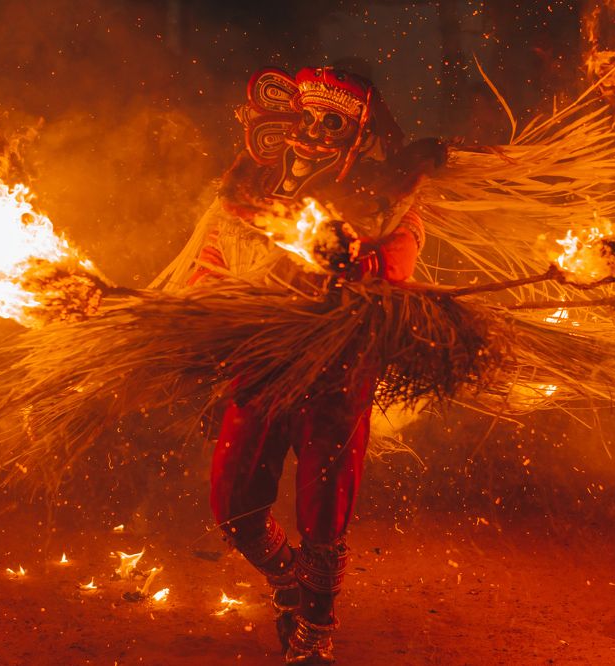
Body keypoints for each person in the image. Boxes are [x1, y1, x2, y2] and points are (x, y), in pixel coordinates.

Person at [168, 66, 443, 664]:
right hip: (260, 362)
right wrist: (201, 323)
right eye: (307, 117)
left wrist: (351, 262)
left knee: (323, 509)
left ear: (360, 134)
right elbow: (210, 266)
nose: (315, 132)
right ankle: (288, 580)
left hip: (337, 367)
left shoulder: (388, 198)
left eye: (332, 123)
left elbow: (398, 263)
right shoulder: (243, 193)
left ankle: (318, 622)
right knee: (234, 506)